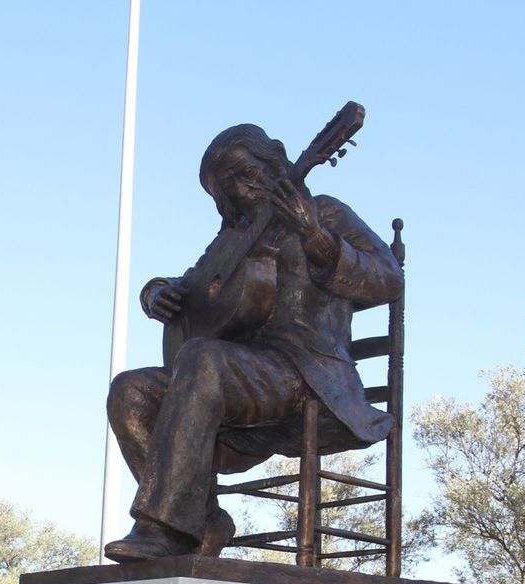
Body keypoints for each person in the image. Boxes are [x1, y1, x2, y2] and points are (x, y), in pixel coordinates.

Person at [104, 121, 402, 561]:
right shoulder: (233, 241)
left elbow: (388, 280)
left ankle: (159, 527)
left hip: (312, 378)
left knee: (203, 357)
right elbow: (191, 286)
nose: (243, 190)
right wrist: (154, 292)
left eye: (248, 174)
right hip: (239, 383)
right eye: (228, 187)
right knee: (131, 391)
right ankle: (203, 521)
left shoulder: (324, 212)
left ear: (273, 164)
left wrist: (315, 236)